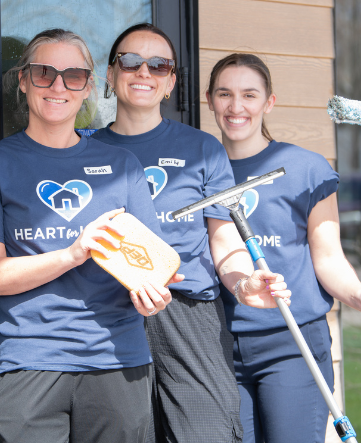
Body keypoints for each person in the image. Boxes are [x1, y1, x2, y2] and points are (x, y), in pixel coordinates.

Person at [0, 28, 182, 440]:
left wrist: (152, 297)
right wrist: (72, 254)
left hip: (118, 360)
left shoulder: (123, 167)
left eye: (73, 76)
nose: (58, 86)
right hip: (31, 359)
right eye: (44, 73)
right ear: (23, 80)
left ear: (88, 87)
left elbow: (146, 269)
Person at [86, 23, 288, 443]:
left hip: (188, 310)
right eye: (130, 61)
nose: (144, 72)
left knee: (206, 431)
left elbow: (223, 238)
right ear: (110, 73)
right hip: (108, 311)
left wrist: (243, 282)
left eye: (159, 65)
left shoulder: (201, 149)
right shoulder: (83, 149)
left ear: (171, 82)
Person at [205, 53, 361, 442]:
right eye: (224, 94)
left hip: (293, 342)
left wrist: (359, 296)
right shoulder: (204, 171)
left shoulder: (305, 168)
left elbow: (327, 256)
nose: (236, 106)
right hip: (220, 344)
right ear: (209, 100)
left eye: (249, 94)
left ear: (269, 102)